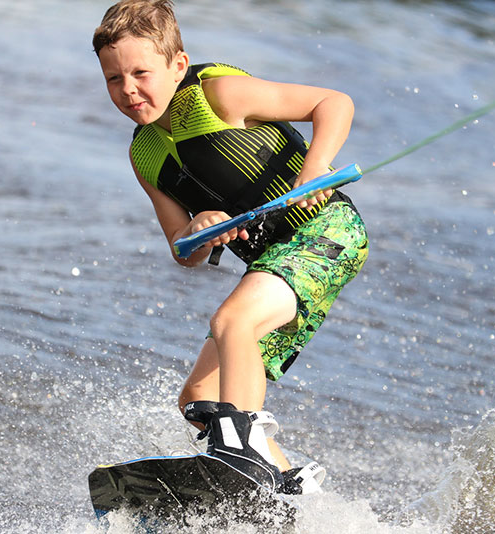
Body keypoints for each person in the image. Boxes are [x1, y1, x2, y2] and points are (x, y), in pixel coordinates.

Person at [92, 0, 368, 495]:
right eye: (114, 78)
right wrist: (199, 226)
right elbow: (183, 250)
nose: (129, 89)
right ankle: (287, 494)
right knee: (199, 396)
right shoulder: (144, 154)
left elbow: (335, 103)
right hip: (272, 262)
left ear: (177, 65)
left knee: (231, 322)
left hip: (327, 232)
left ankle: (242, 461)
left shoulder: (219, 94)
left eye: (140, 72)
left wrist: (315, 166)